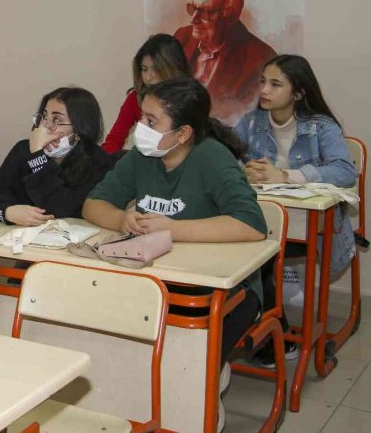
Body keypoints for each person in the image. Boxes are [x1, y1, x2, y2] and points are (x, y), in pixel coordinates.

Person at [83, 77, 266, 433]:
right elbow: (94, 203)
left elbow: (252, 224)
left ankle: (198, 406)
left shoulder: (212, 158)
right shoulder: (142, 157)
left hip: (224, 292)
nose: (141, 129)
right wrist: (121, 218)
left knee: (183, 365)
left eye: (152, 122)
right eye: (142, 118)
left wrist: (173, 228)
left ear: (182, 134)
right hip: (157, 281)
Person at [234, 55, 357, 366]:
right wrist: (243, 170)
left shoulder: (321, 127)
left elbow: (345, 171)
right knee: (248, 258)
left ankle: (271, 332)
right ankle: (272, 331)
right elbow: (225, 158)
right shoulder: (251, 122)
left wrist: (287, 176)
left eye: (275, 84)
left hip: (311, 226)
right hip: (264, 222)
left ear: (298, 92)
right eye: (262, 81)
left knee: (255, 261)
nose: (264, 89)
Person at [0, 87, 115, 225]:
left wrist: (37, 156)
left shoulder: (98, 161)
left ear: (79, 130)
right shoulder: (23, 150)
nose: (45, 127)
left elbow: (59, 210)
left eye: (57, 120)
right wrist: (7, 213)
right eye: (44, 117)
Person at [174, 0, 277, 126]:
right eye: (193, 8)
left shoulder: (260, 58)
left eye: (205, 12)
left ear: (230, 17)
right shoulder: (183, 37)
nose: (193, 19)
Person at [102, 34, 191, 154]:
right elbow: (112, 142)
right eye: (144, 69)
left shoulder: (191, 100)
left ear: (173, 68)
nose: (149, 77)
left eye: (156, 69)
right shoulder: (135, 98)